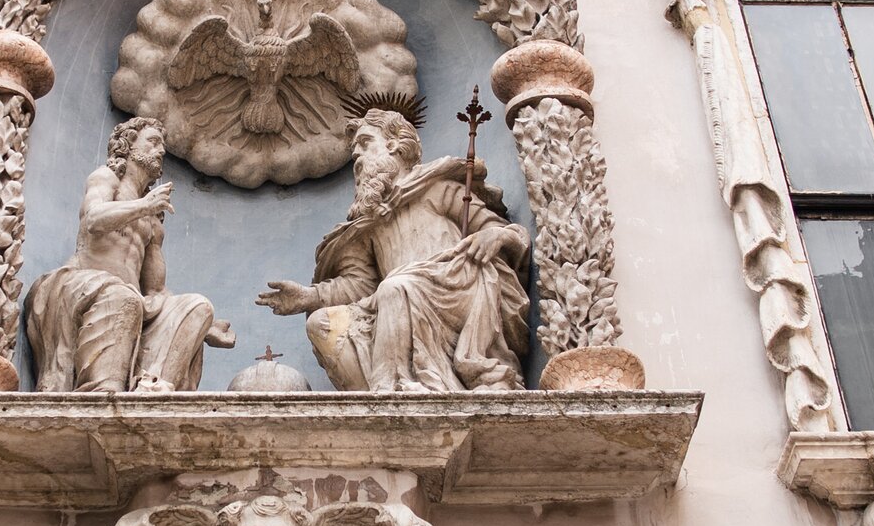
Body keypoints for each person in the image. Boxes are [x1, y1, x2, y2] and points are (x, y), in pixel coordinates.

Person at [257, 109, 530, 391]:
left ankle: (389, 392)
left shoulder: (436, 189)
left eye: (365, 143)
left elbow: (510, 233)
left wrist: (496, 236)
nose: (356, 156)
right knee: (322, 324)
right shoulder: (367, 221)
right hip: (399, 297)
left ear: (395, 145)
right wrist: (309, 297)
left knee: (395, 287)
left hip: (457, 287)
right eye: (354, 150)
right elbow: (360, 284)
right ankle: (375, 401)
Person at [27, 117, 234, 391]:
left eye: (163, 145)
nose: (160, 151)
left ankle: (154, 388)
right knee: (122, 296)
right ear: (128, 145)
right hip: (83, 284)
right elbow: (93, 219)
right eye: (152, 142)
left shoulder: (153, 220)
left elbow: (156, 291)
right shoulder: (107, 178)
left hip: (131, 298)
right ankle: (100, 389)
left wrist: (203, 326)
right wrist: (144, 205)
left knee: (197, 306)